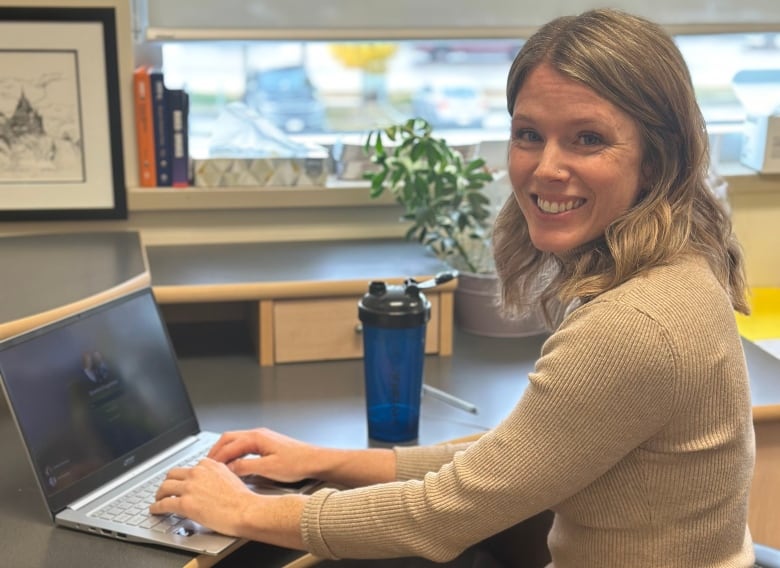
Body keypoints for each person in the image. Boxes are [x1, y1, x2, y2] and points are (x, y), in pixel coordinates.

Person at [151, 9, 755, 567]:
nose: (545, 167)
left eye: (587, 138)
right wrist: (325, 461)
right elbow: (517, 458)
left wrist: (246, 509)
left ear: (655, 158)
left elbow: (443, 516)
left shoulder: (632, 325)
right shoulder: (676, 266)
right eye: (528, 134)